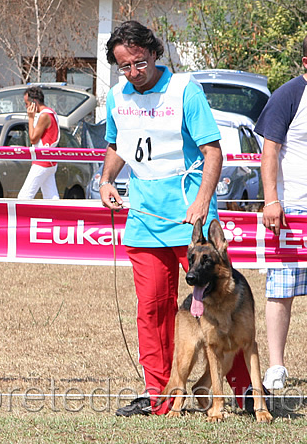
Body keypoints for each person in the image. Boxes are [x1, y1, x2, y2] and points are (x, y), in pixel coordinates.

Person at [99, 20, 254, 416]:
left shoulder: (186, 90)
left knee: (221, 305)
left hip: (191, 221)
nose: (133, 73)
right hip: (144, 219)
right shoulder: (118, 97)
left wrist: (202, 203)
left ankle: (241, 394)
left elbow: (213, 152)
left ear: (154, 54)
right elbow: (119, 145)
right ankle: (163, 397)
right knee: (153, 309)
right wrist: (106, 180)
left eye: (139, 63)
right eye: (124, 67)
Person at [255, 35, 307, 390]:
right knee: (281, 287)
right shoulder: (288, 95)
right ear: (305, 62)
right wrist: (271, 199)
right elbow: (269, 151)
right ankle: (276, 366)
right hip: (293, 208)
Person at [17, 86, 61, 200]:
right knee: (51, 197)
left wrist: (31, 118)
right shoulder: (52, 113)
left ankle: (22, 217)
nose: (26, 107)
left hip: (42, 161)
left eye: (27, 104)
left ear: (34, 102)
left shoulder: (44, 115)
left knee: (24, 196)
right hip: (49, 160)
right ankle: (56, 216)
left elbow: (33, 139)